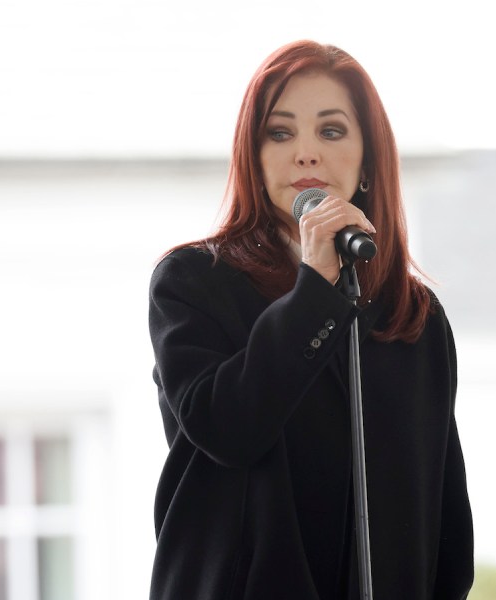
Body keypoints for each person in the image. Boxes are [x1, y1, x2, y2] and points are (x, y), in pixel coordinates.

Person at [147, 40, 474, 599]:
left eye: (331, 131)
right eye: (280, 133)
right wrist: (314, 291)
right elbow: (228, 428)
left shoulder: (412, 315)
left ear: (368, 158)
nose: (305, 153)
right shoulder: (193, 282)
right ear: (253, 155)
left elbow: (444, 515)